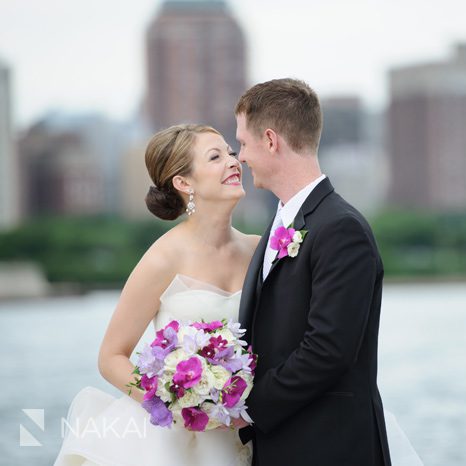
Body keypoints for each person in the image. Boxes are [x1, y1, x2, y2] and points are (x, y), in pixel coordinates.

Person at [54, 124, 258, 466]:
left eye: (231, 152)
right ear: (184, 183)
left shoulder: (257, 249)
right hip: (169, 445)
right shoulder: (163, 258)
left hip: (244, 431)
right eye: (215, 156)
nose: (233, 162)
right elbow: (111, 357)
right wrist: (176, 405)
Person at [234, 78, 395, 465]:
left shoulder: (341, 229)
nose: (240, 156)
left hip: (330, 447)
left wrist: (246, 407)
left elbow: (328, 350)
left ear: (271, 140)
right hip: (282, 444)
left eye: (243, 142)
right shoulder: (279, 224)